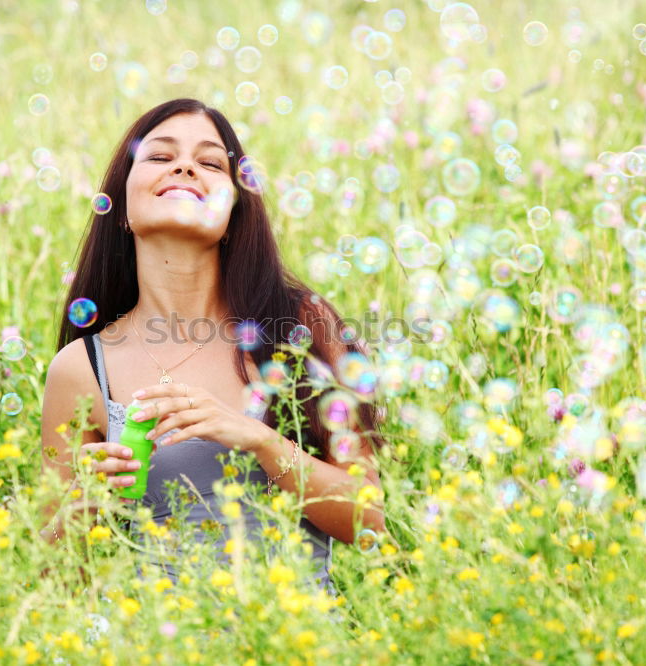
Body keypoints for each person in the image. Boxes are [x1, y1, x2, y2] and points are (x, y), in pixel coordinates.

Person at [39, 98, 387, 594]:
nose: (184, 166)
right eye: (160, 157)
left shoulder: (298, 326)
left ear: (233, 215)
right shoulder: (81, 368)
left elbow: (369, 520)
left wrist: (259, 440)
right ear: (120, 211)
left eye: (209, 163)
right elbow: (53, 576)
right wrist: (83, 502)